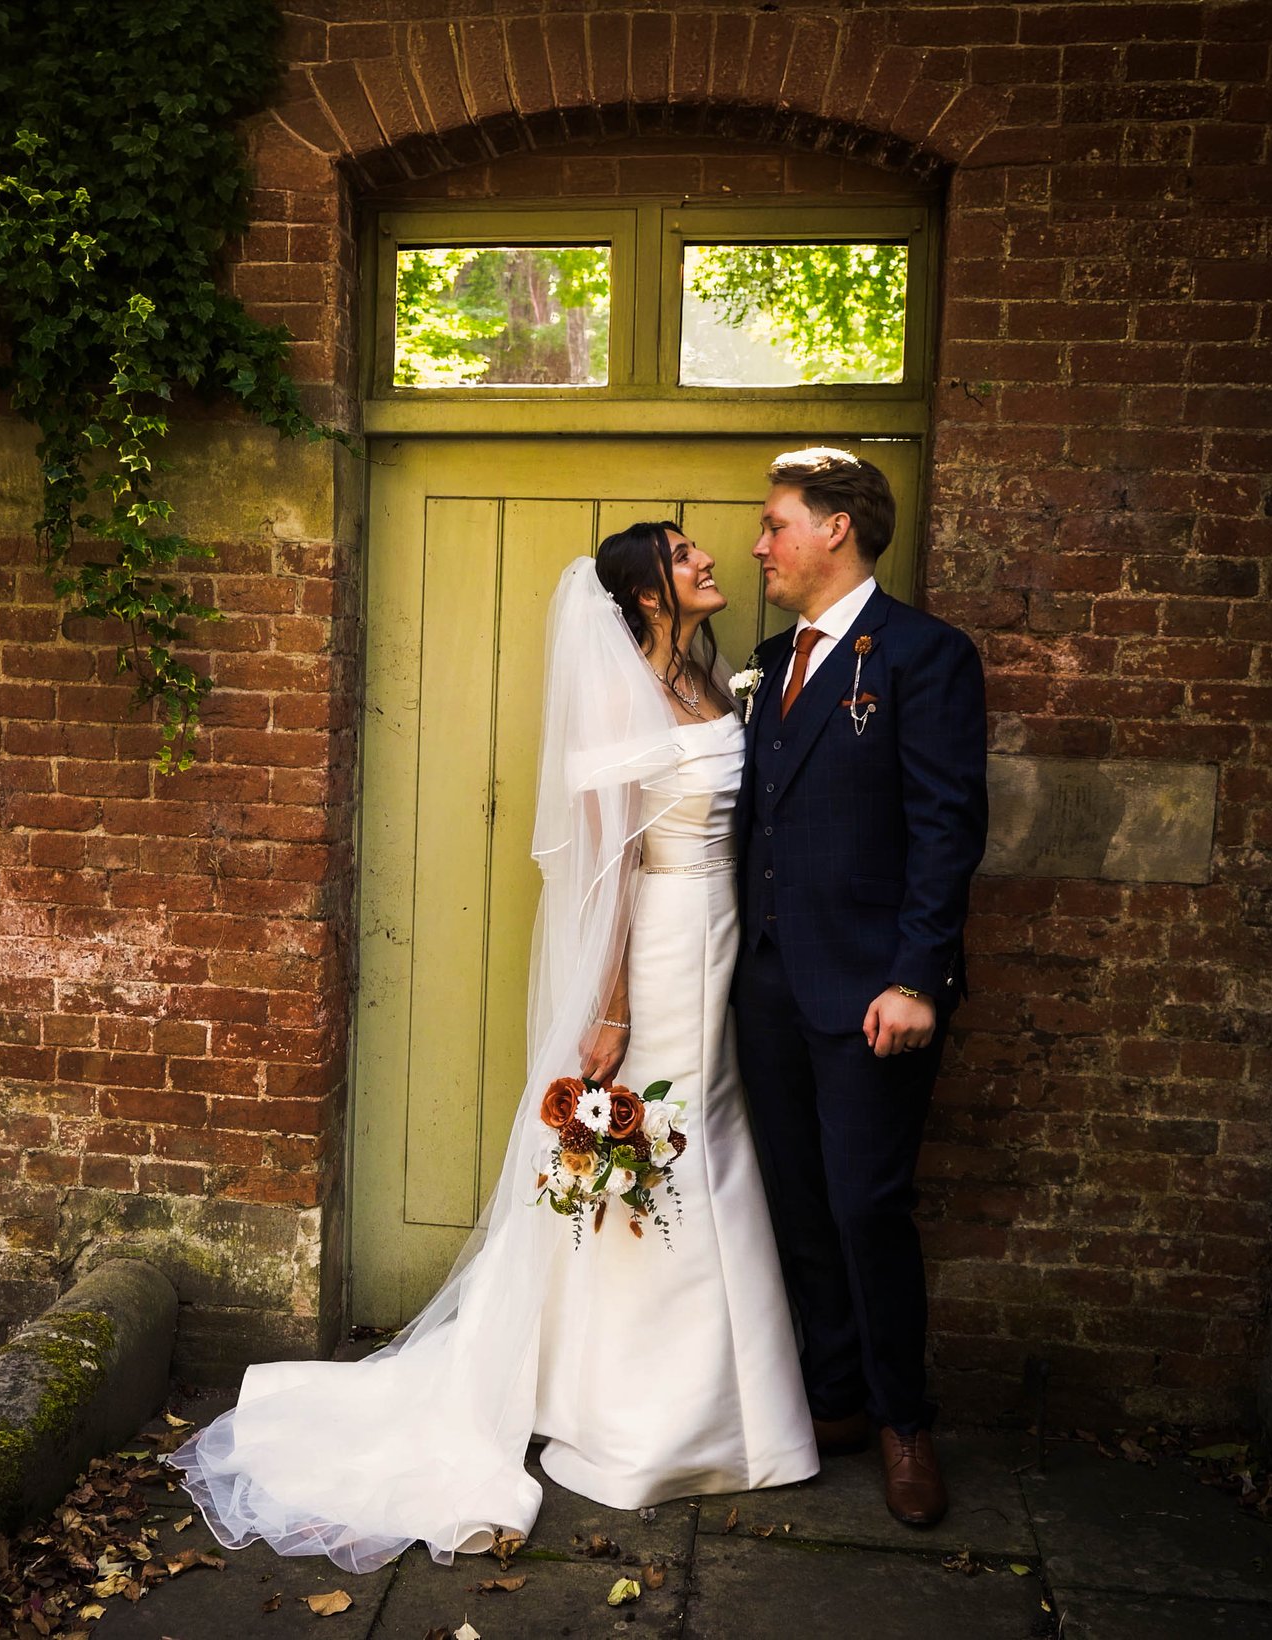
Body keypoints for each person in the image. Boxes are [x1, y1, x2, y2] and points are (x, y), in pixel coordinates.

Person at [169, 522, 817, 1573]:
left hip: (721, 948)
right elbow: (609, 871)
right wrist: (605, 1006)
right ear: (647, 597)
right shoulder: (622, 701)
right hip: (653, 955)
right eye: (684, 555)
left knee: (712, 1145)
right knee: (656, 1146)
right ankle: (644, 1416)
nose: (709, 562)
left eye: (706, 548)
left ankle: (724, 1400)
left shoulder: (710, 680)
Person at [731, 447, 989, 1529]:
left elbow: (946, 822)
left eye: (775, 523)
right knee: (795, 1200)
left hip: (874, 993)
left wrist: (916, 974)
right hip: (771, 987)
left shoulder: (925, 655)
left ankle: (902, 1420)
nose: (759, 544)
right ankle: (831, 1395)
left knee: (865, 1205)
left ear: (836, 528)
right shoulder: (764, 660)